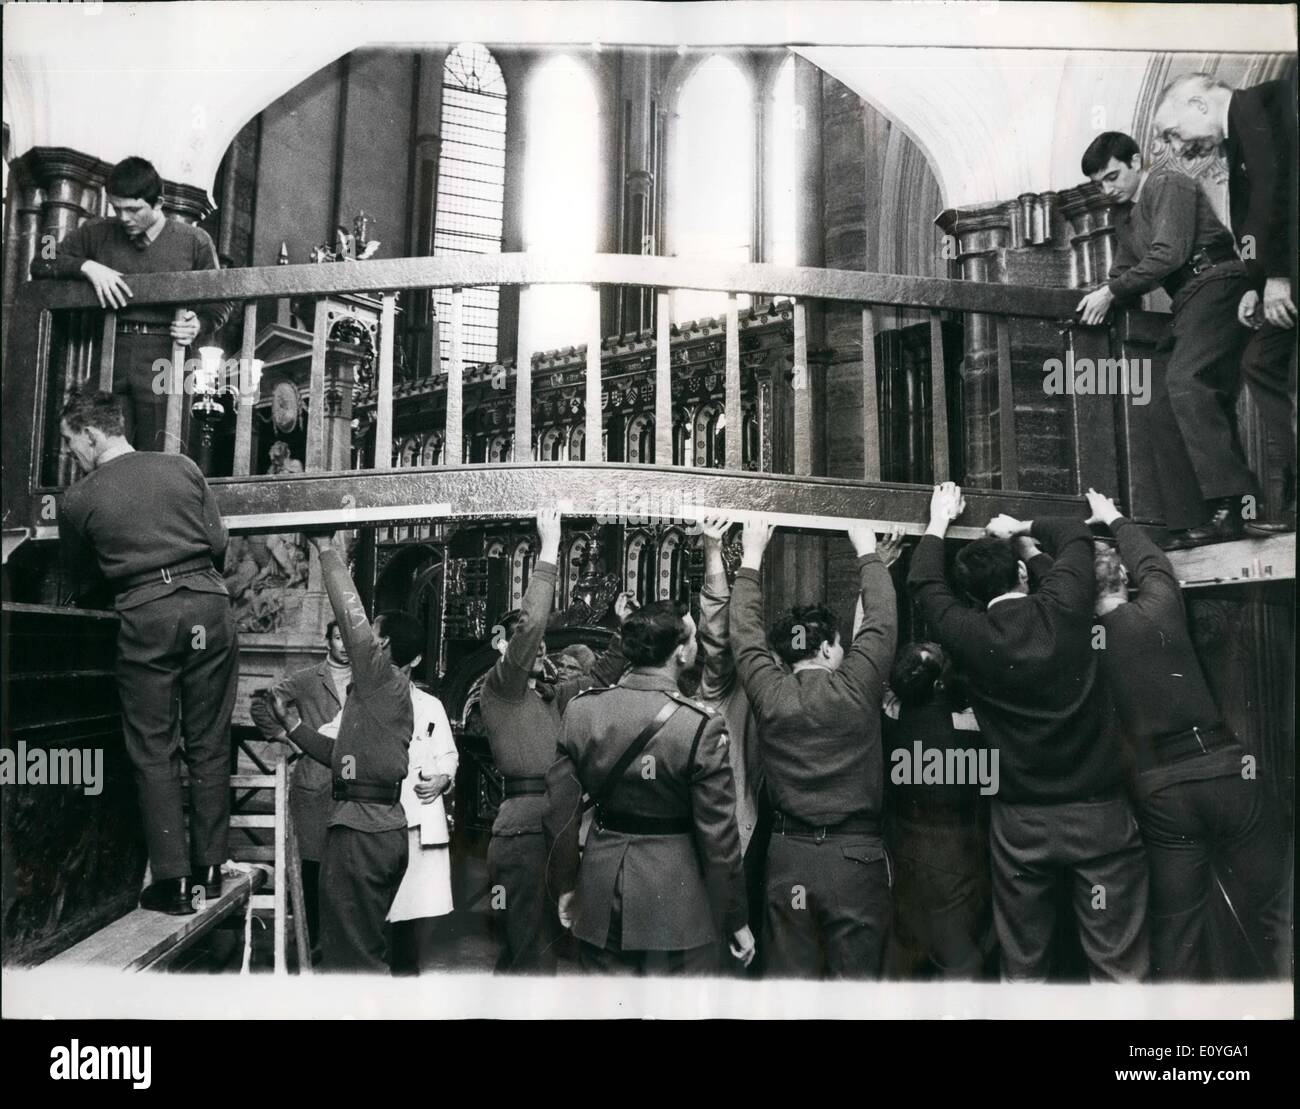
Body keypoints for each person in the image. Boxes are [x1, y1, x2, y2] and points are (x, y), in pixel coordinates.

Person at [907, 482, 1149, 982]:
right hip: (1099, 813)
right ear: (1021, 572)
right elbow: (1075, 539)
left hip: (1021, 824)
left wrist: (937, 521)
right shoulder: (1065, 609)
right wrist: (1022, 532)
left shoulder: (968, 633)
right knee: (1118, 964)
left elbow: (924, 583)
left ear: (972, 596)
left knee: (1024, 964)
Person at [1084, 488, 1289, 980]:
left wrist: (1027, 543)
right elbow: (1154, 561)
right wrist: (1112, 516)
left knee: (1178, 927)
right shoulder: (1159, 607)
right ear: (1125, 578)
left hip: (1163, 791)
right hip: (1224, 766)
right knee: (1279, 903)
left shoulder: (1085, 648)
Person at [57, 389, 237, 915]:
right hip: (209, 606)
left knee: (154, 748)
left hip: (147, 616)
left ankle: (174, 883)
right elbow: (218, 542)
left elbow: (82, 581)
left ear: (91, 433)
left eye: (72, 445)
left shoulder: (79, 499)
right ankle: (210, 868)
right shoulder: (181, 465)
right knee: (209, 740)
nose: (73, 456)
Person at [545, 600, 755, 976]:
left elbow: (560, 816)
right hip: (677, 902)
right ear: (679, 653)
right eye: (692, 640)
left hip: (598, 891)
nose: (697, 647)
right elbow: (719, 839)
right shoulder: (700, 726)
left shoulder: (580, 711)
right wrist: (736, 917)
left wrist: (565, 884)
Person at [729, 516, 898, 979]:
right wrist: (867, 552)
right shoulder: (857, 688)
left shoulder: (770, 691)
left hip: (790, 858)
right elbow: (882, 623)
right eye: (840, 645)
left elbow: (744, 636)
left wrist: (751, 557)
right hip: (854, 860)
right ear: (825, 650)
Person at [1077, 131, 1260, 548]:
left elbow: (1170, 254)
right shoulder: (1124, 217)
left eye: (1112, 177)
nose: (1107, 190)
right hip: (1188, 298)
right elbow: (1122, 273)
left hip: (1218, 282)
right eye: (1099, 184)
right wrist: (1097, 297)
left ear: (1137, 161)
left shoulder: (1167, 183)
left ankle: (1234, 506)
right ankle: (1191, 520)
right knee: (1160, 403)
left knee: (1186, 383)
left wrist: (1111, 294)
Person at [266, 532, 423, 972]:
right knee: (349, 947)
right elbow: (344, 759)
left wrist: (326, 548)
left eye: (374, 638)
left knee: (352, 958)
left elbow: (349, 614)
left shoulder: (380, 680)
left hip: (362, 835)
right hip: (374, 828)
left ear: (385, 648)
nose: (364, 642)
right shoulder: (385, 697)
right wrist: (293, 726)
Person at [478, 508, 628, 973]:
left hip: (557, 830)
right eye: (530, 645)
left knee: (552, 947)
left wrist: (622, 629)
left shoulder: (554, 695)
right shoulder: (500, 689)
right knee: (526, 948)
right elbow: (528, 630)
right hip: (523, 833)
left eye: (544, 647)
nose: (539, 650)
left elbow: (602, 675)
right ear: (507, 651)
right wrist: (548, 551)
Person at [1155, 72, 1297, 535]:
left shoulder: (1261, 108)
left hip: (1282, 273)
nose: (1176, 148)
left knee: (1247, 367)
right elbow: (1255, 220)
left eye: (1173, 134)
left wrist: (1276, 275)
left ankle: (1245, 503)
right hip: (1271, 276)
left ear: (1199, 105)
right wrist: (1258, 283)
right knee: (1260, 362)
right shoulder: (1240, 135)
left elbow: (1281, 194)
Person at [31, 156, 235, 452]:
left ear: (159, 202)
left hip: (166, 355)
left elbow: (223, 299)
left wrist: (199, 324)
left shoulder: (195, 241)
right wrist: (87, 266)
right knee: (97, 445)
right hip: (112, 351)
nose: (124, 218)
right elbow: (43, 258)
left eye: (133, 209)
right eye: (117, 208)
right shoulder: (96, 231)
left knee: (160, 452)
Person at [881, 641, 994, 980]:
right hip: (957, 858)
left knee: (905, 954)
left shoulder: (889, 724)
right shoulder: (970, 728)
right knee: (959, 960)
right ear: (940, 684)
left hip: (904, 854)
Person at [248, 621, 351, 955]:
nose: (344, 646)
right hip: (314, 781)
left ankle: (340, 942)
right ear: (327, 641)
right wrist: (291, 740)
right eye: (338, 638)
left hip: (352, 782)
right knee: (312, 867)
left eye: (348, 639)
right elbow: (262, 704)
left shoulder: (366, 679)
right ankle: (312, 943)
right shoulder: (308, 678)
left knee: (348, 866)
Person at [387, 682, 458, 974]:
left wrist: (443, 779)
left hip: (417, 810)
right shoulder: (365, 696)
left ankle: (404, 971)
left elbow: (448, 755)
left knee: (410, 902)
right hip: (377, 812)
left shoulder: (430, 705)